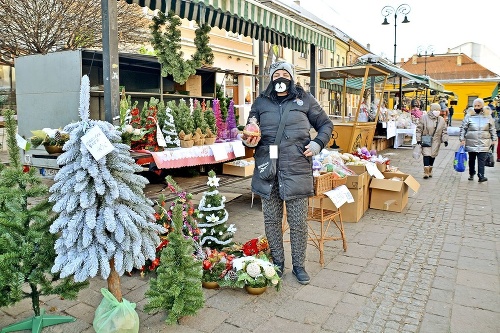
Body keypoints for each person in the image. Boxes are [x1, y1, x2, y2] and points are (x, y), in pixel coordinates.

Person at [241, 61, 333, 285]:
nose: (280, 78)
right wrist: (249, 139)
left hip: (296, 167)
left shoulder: (305, 99)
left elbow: (326, 125)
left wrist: (317, 144)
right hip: (268, 168)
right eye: (276, 75)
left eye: (285, 74)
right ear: (270, 79)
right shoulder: (261, 102)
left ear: (291, 78)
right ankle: (278, 263)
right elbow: (250, 129)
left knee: (298, 221)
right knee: (272, 220)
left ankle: (299, 265)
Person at [459, 98, 497, 182]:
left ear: (482, 106)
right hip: (471, 141)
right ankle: (471, 173)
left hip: (484, 142)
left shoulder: (488, 116)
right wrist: (462, 139)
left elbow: (492, 128)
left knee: (481, 160)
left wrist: (494, 139)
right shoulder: (469, 115)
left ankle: (481, 176)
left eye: (478, 106)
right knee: (471, 159)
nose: (476, 107)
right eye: (475, 105)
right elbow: (463, 128)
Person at [416, 103, 449, 179]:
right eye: (435, 110)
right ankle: (426, 172)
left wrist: (445, 140)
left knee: (432, 156)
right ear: (431, 110)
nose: (437, 111)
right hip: (426, 139)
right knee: (426, 155)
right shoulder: (424, 118)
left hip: (436, 141)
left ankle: (430, 170)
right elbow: (419, 129)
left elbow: (444, 131)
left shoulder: (441, 120)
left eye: (438, 110)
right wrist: (418, 139)